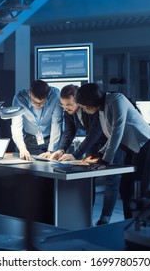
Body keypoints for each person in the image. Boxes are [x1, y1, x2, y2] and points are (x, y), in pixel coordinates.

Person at [75, 83, 150, 219]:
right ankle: (129, 225)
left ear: (91, 103)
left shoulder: (117, 99)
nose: (84, 111)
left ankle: (146, 226)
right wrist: (100, 153)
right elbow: (110, 136)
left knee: (138, 191)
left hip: (149, 146)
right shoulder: (101, 109)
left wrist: (106, 159)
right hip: (134, 149)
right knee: (126, 189)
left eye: (84, 107)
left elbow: (118, 130)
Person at [48, 84, 125, 225]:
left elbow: (95, 133)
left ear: (78, 100)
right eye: (63, 105)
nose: (66, 108)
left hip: (111, 142)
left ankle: (105, 218)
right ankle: (86, 216)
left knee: (112, 180)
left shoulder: (92, 107)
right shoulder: (68, 111)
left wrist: (76, 154)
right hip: (93, 145)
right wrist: (61, 150)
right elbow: (68, 132)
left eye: (69, 105)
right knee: (89, 179)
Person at [11, 80, 63, 160]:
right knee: (30, 168)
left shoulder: (55, 96)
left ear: (47, 95)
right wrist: (22, 148)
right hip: (30, 140)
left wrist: (51, 151)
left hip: (52, 139)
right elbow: (16, 126)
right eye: (34, 102)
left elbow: (56, 123)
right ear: (29, 93)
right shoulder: (19, 98)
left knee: (53, 166)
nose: (39, 105)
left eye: (42, 102)